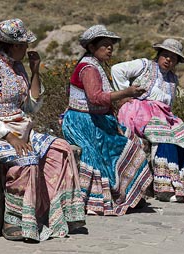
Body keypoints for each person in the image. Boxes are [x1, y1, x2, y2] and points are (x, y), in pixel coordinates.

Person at [0, 18, 86, 242]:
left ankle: (55, 212)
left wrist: (35, 71)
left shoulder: (16, 68)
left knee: (61, 149)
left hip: (20, 127)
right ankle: (13, 220)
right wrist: (10, 137)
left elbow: (31, 106)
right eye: (24, 45)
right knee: (26, 158)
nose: (27, 49)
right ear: (13, 46)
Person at [61, 25, 153, 216]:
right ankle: (112, 196)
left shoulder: (95, 66)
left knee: (131, 141)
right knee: (109, 150)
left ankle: (128, 194)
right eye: (105, 45)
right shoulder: (88, 68)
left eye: (111, 45)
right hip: (83, 121)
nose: (110, 49)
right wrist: (125, 93)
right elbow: (95, 98)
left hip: (96, 119)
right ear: (92, 47)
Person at [111, 38, 184, 203]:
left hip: (161, 115)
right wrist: (125, 93)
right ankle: (164, 188)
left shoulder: (172, 80)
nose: (168, 60)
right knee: (164, 136)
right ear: (159, 54)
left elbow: (169, 105)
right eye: (166, 55)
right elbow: (117, 69)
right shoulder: (144, 65)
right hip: (137, 111)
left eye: (173, 58)